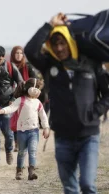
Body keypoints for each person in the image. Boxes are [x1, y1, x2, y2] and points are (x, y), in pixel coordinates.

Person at [24, 13, 109, 193]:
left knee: (87, 184)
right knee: (70, 188)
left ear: (71, 42)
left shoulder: (90, 64)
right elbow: (30, 50)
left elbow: (107, 94)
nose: (60, 48)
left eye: (63, 43)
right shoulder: (49, 65)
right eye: (55, 44)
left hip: (89, 137)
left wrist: (95, 112)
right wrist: (49, 25)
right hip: (63, 138)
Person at [0, 78, 50, 180]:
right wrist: (2, 111)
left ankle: (31, 172)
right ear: (27, 87)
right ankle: (19, 171)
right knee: (21, 152)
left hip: (34, 131)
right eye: (33, 87)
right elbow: (11, 108)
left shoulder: (38, 102)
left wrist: (46, 127)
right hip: (22, 132)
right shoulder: (20, 100)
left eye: (37, 88)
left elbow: (43, 116)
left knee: (32, 150)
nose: (35, 90)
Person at [10, 46, 37, 152]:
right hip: (12, 96)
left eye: (20, 53)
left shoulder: (28, 66)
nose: (18, 55)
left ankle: (25, 141)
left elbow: (35, 81)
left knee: (23, 120)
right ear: (13, 54)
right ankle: (16, 142)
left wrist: (29, 89)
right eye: (16, 53)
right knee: (14, 120)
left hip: (25, 97)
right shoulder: (8, 66)